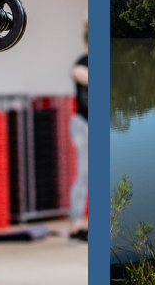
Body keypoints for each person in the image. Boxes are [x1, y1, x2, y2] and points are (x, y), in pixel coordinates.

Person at [69, 18, 89, 242]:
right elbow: (76, 72)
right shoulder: (83, 61)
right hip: (83, 124)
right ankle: (76, 226)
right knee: (84, 174)